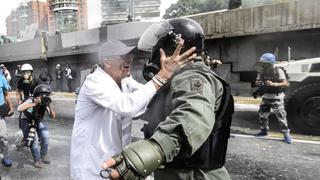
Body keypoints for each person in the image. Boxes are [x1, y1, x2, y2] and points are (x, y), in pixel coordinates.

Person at [102, 17, 234, 180]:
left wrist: (147, 154)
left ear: (174, 48)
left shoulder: (192, 78)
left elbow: (192, 117)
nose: (153, 55)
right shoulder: (179, 77)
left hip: (192, 175)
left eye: (157, 49)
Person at [70, 39, 196, 180]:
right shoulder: (94, 82)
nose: (130, 59)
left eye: (129, 56)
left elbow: (147, 95)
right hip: (91, 165)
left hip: (115, 160)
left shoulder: (124, 81)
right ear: (107, 62)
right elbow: (128, 105)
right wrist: (164, 74)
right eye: (123, 57)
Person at [254, 53, 292, 144]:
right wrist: (259, 83)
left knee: (281, 116)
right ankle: (264, 131)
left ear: (270, 63)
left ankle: (286, 134)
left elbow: (285, 83)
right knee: (262, 115)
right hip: (266, 97)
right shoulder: (261, 71)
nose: (263, 64)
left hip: (277, 97)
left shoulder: (278, 70)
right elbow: (257, 82)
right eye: (262, 63)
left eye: (265, 63)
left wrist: (274, 84)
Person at [17, 84, 55, 168]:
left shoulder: (45, 102)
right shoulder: (30, 100)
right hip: (26, 120)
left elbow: (53, 117)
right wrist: (34, 103)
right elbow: (19, 108)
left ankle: (43, 155)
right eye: (43, 95)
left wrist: (49, 106)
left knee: (45, 136)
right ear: (38, 95)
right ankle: (37, 160)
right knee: (33, 141)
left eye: (47, 95)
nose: (45, 97)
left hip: (37, 120)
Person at [15, 64, 42, 149]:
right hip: (26, 102)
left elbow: (41, 91)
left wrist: (38, 101)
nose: (25, 74)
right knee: (22, 120)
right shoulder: (20, 81)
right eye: (23, 72)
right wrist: (19, 101)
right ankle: (25, 137)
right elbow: (18, 91)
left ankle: (41, 140)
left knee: (37, 121)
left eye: (27, 72)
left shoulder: (36, 80)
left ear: (31, 72)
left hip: (36, 102)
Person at [0, 72, 14, 167]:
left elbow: (6, 94)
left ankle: (6, 156)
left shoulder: (1, 78)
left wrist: (11, 107)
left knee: (3, 136)